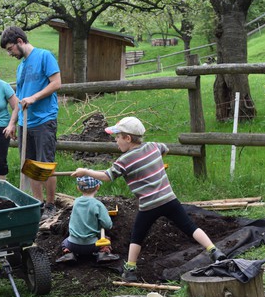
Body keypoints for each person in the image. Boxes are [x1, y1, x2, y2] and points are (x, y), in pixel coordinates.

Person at [71, 116, 227, 282]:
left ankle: (130, 270)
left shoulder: (123, 160)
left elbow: (106, 176)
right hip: (169, 199)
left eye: (117, 137)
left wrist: (85, 171)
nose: (116, 141)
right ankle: (214, 251)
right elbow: (164, 149)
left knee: (137, 236)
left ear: (128, 138)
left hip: (148, 206)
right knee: (190, 226)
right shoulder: (153, 146)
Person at [0, 26, 61, 219]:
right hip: (26, 123)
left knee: (45, 164)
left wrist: (34, 98)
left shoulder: (45, 56)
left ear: (19, 41)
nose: (10, 54)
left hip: (44, 119)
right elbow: (19, 98)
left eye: (10, 49)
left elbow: (56, 83)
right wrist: (11, 123)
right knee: (30, 165)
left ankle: (51, 205)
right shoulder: (21, 67)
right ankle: (39, 203)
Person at [56, 175, 119, 264]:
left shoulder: (76, 202)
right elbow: (108, 225)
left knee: (65, 242)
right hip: (93, 245)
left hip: (73, 245)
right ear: (98, 186)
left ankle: (69, 253)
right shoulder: (98, 205)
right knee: (106, 239)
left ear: (78, 188)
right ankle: (103, 253)